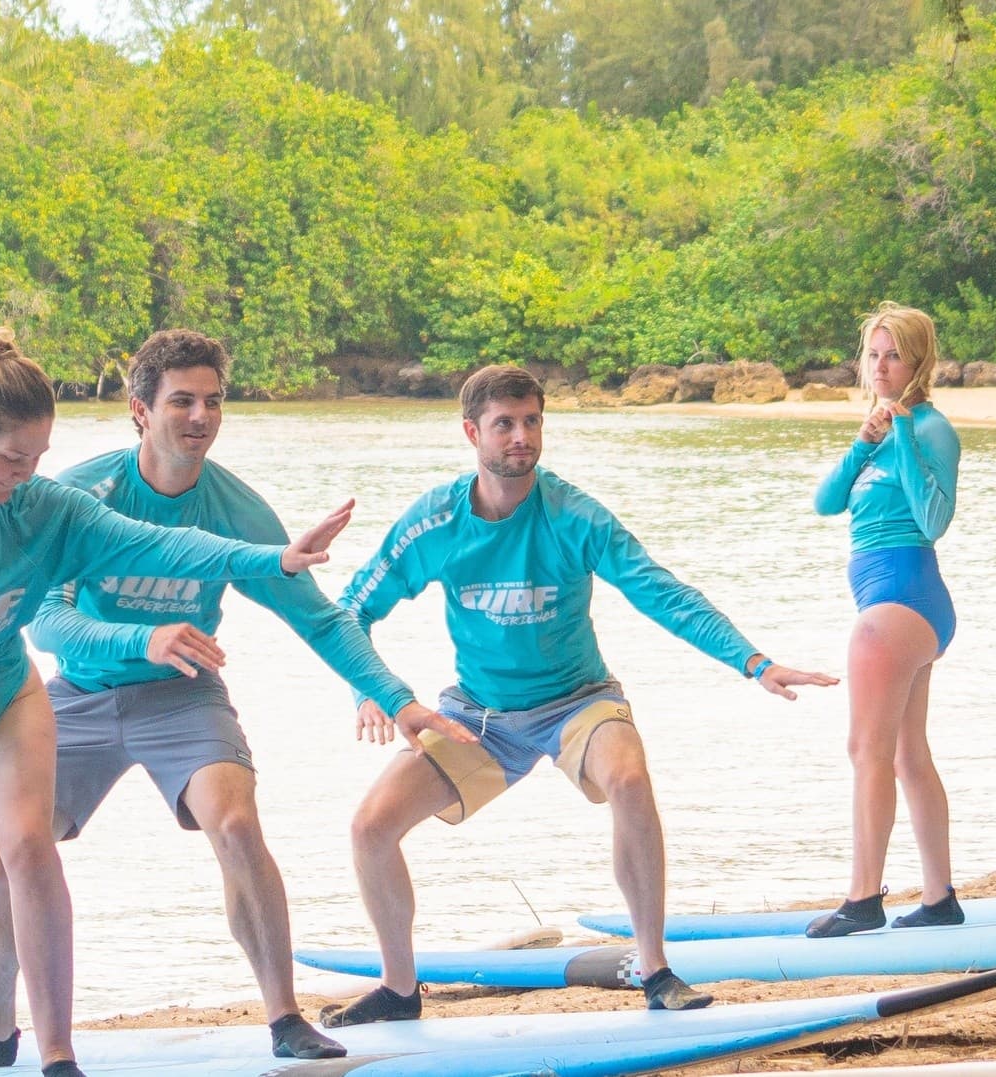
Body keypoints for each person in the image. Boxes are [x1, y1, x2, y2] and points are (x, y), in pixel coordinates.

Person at [0, 331, 473, 1073]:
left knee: (234, 821)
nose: (200, 415)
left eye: (213, 400)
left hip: (184, 699)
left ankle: (285, 1016)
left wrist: (394, 698)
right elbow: (45, 618)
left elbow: (319, 616)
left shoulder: (232, 507)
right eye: (182, 401)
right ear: (140, 410)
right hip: (79, 694)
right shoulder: (79, 494)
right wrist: (141, 640)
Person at [0, 330, 350, 1077]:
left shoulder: (45, 508)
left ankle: (58, 1059)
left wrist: (274, 558)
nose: (27, 475)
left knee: (29, 850)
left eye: (39, 457)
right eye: (11, 459)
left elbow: (160, 545)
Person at [327, 364, 835, 1020]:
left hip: (577, 701)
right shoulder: (437, 522)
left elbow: (660, 589)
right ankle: (399, 990)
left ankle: (654, 968)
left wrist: (753, 660)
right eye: (504, 423)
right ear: (470, 431)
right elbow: (349, 613)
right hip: (479, 715)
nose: (521, 436)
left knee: (627, 776)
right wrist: (374, 690)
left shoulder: (573, 515)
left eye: (532, 421)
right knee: (370, 826)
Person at [806, 303, 963, 937]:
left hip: (904, 597)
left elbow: (933, 521)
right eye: (873, 353)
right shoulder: (874, 432)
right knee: (904, 754)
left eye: (893, 354)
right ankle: (939, 897)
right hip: (894, 606)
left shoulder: (932, 429)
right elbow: (824, 503)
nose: (880, 365)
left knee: (864, 750)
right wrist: (862, 441)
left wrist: (898, 434)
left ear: (919, 360)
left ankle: (863, 898)